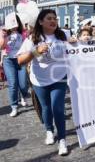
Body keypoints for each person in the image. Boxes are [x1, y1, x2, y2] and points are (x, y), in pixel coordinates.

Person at [17, 9, 68, 156]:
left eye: (55, 18)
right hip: (39, 80)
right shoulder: (32, 39)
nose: (53, 21)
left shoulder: (63, 35)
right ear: (40, 21)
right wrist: (35, 52)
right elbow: (20, 61)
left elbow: (77, 49)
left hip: (60, 77)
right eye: (49, 18)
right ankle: (49, 130)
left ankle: (62, 140)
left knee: (57, 108)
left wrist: (77, 43)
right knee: (46, 107)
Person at [0, 12, 29, 117]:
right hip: (8, 60)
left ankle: (23, 96)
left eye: (16, 23)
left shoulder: (24, 33)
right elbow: (1, 47)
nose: (14, 25)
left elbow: (28, 46)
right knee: (13, 84)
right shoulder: (3, 32)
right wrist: (3, 36)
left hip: (20, 59)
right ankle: (14, 106)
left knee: (23, 84)